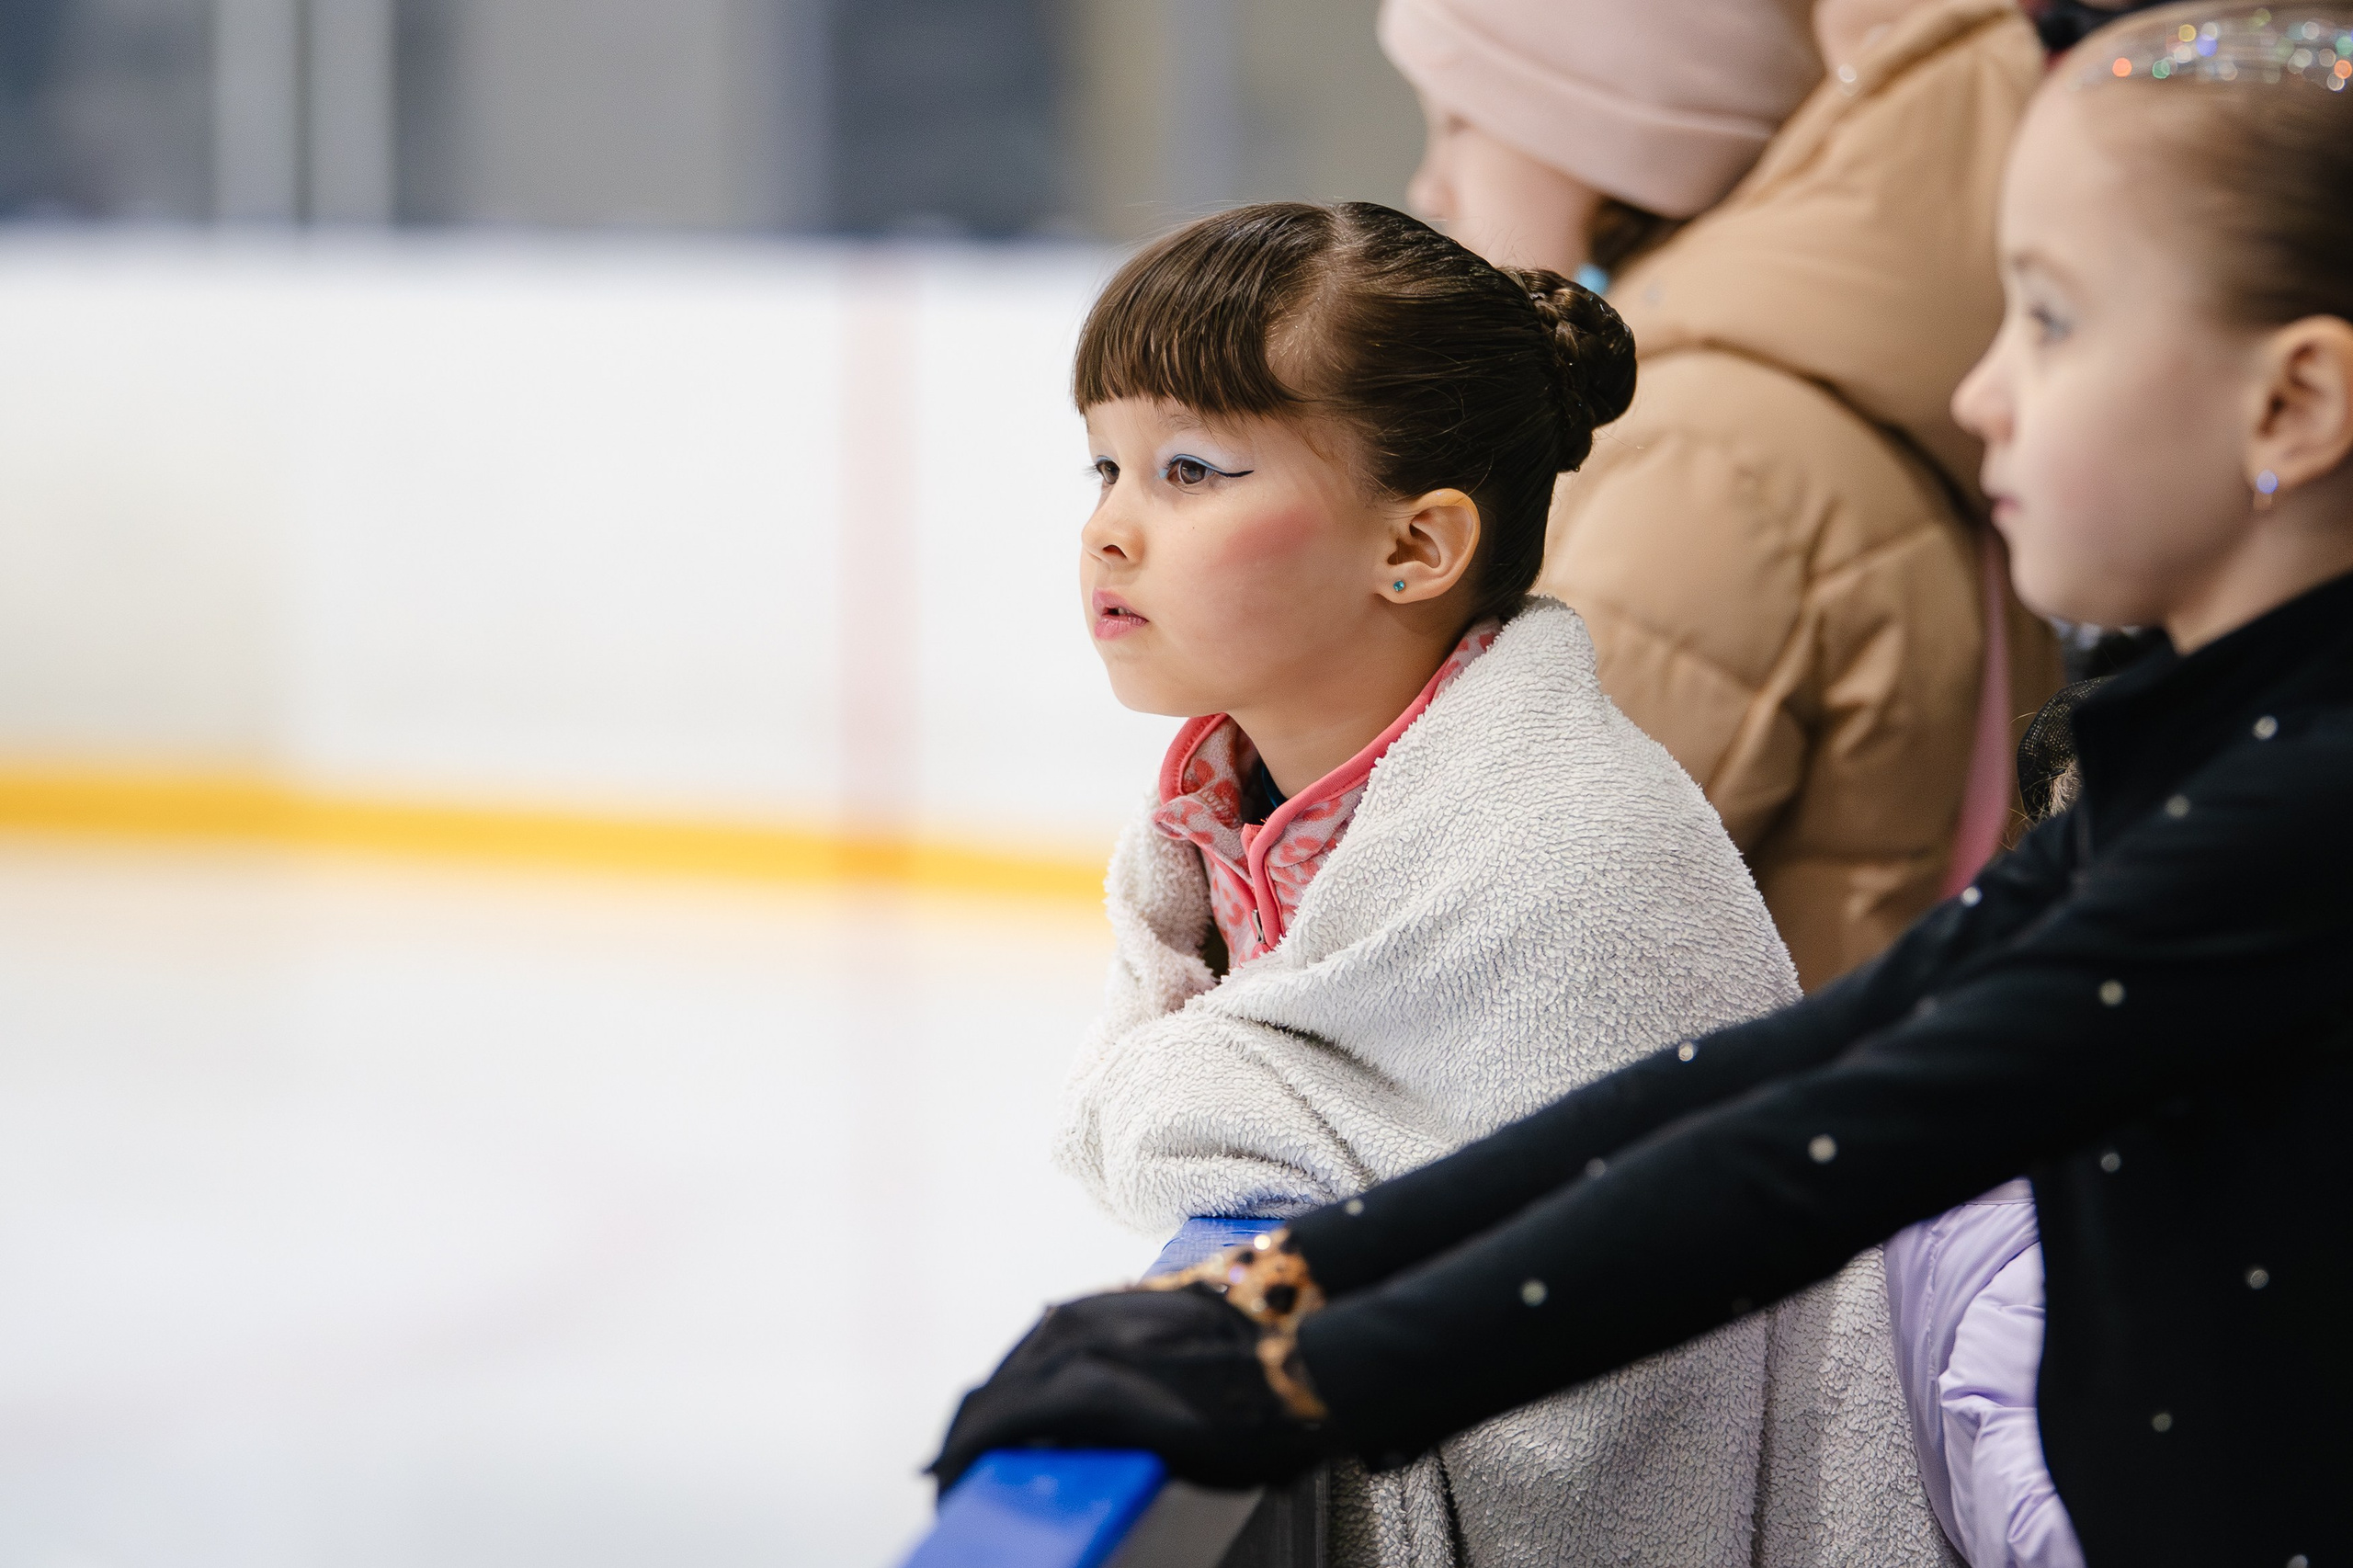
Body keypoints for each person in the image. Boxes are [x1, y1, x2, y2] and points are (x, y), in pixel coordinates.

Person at [930, 10, 2353, 1565]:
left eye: (2054, 322)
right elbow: (1797, 1062)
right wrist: (1286, 1296)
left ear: (2295, 404)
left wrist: (1299, 1374)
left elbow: (1831, 1145)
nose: (1986, 392)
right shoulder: (2203, 751)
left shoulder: (2302, 804)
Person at [1051, 201, 1950, 1565]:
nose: (1112, 529)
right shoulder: (1223, 805)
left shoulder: (1578, 852)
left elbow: (1633, 1389)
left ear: (1415, 548)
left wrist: (1198, 1089)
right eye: (1101, 467)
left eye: (1189, 470)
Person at [1386, 0, 2067, 994]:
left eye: (1458, 122)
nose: (1428, 183)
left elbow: (1481, 957)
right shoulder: (1816, 388)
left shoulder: (1711, 451)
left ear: (1618, 126)